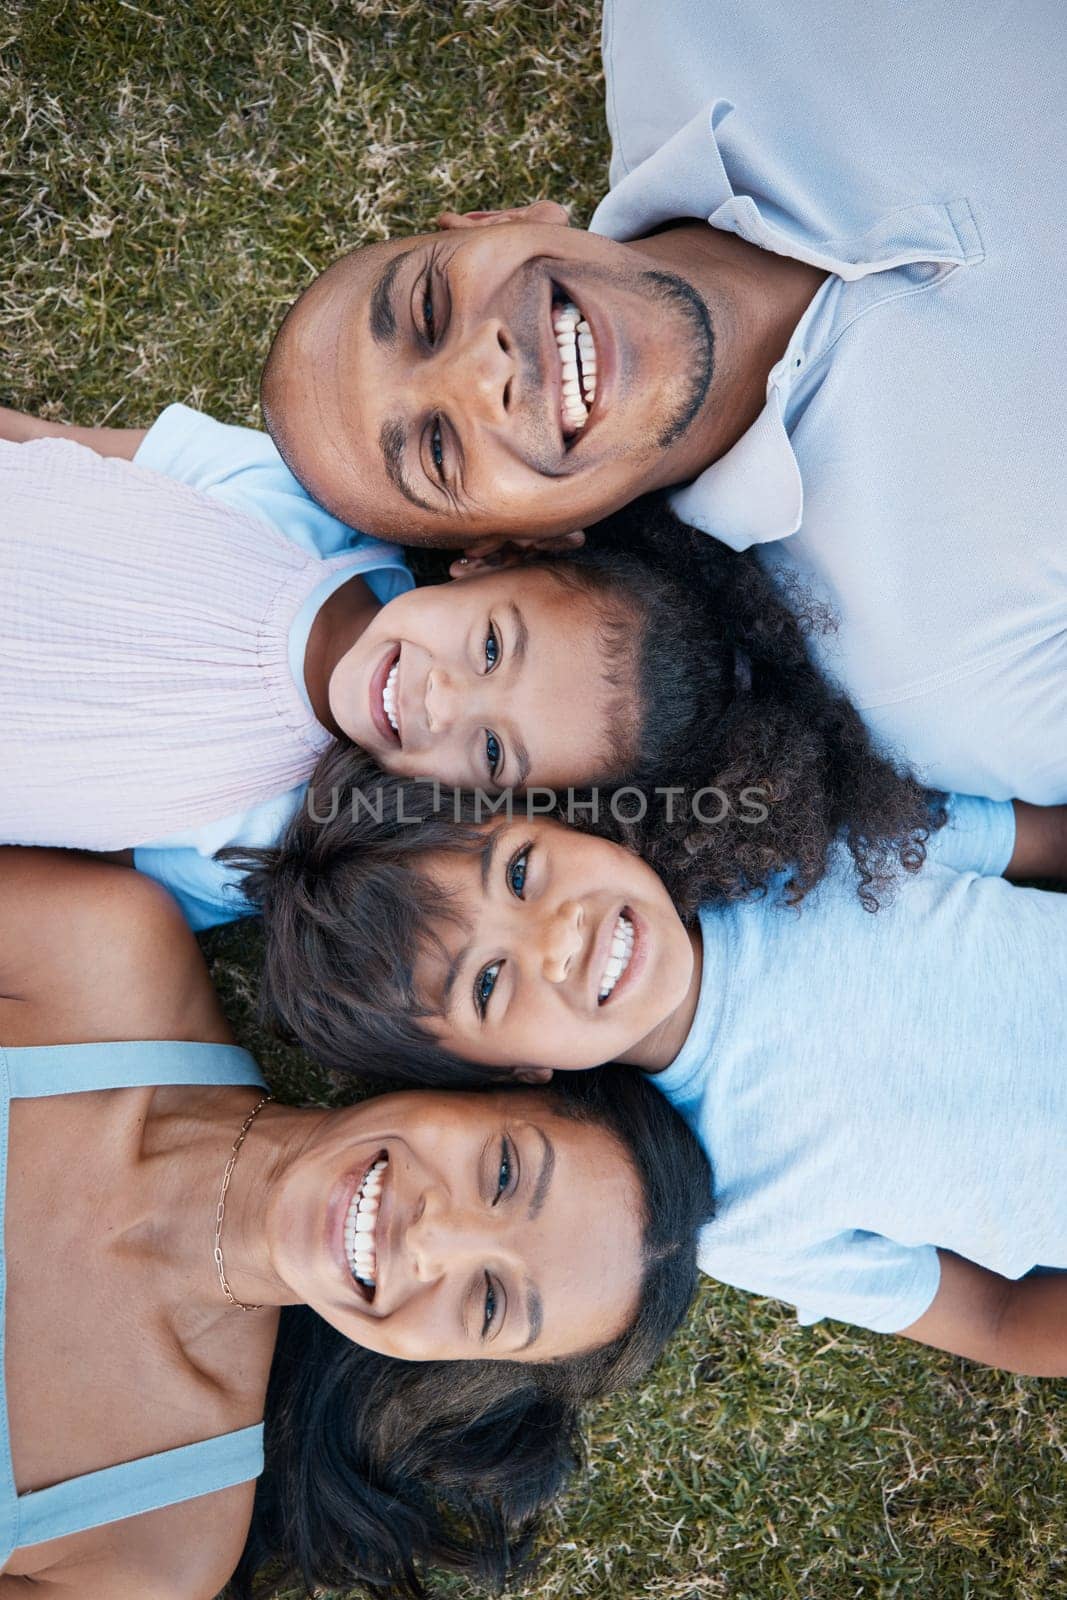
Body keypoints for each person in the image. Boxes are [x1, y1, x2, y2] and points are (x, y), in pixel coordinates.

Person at [250, 0, 1067, 806]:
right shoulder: (934, 678)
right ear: (532, 544)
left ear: (499, 220)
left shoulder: (699, 21)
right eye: (438, 450)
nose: (481, 373)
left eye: (429, 311)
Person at [0, 848, 710, 1598]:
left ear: (443, 1359)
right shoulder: (93, 951)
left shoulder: (147, 1548)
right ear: (487, 1080)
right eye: (503, 1174)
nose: (431, 1239)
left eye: (489, 1301)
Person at [245, 771, 1067, 1376]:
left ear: (556, 819)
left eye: (521, 872)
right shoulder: (734, 1216)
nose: (558, 939)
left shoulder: (801, 835)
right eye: (489, 984)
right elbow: (996, 1320)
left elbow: (1045, 837)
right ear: (507, 1075)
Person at [0, 430, 936, 926]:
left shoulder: (273, 831)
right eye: (491, 648)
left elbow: (58, 872)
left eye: (492, 750)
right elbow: (57, 455)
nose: (440, 700)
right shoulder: (285, 501)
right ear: (489, 560)